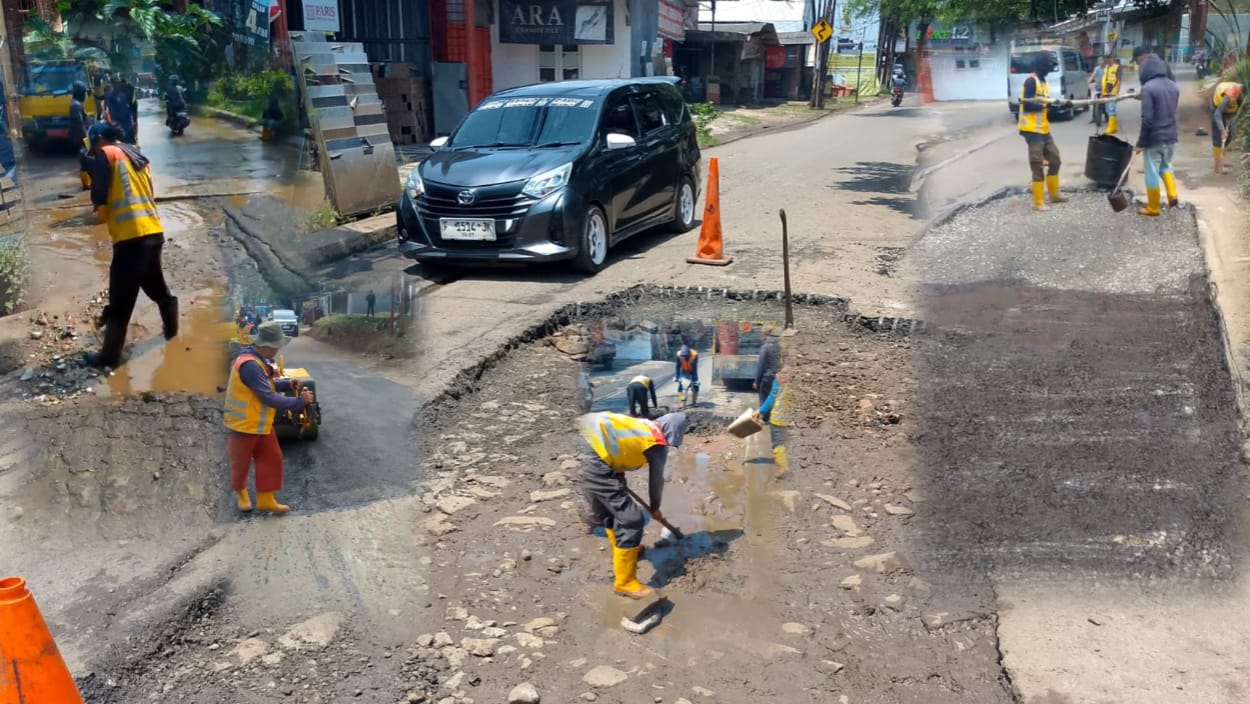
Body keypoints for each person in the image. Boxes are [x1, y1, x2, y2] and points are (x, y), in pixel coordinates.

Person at [83, 123, 178, 368]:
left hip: (130, 238)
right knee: (156, 288)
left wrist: (99, 208)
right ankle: (172, 332)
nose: (95, 151)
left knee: (120, 301)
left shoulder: (108, 153)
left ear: (101, 139)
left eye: (94, 145)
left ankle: (108, 358)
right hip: (153, 232)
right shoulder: (138, 156)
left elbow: (100, 193)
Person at [575, 411, 689, 599]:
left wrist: (617, 476)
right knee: (632, 520)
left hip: (583, 444)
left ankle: (627, 550)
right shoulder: (657, 442)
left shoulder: (642, 426)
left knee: (608, 511)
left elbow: (617, 448)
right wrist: (655, 507)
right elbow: (656, 480)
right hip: (590, 456)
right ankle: (625, 583)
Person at [224, 322, 314, 515]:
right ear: (267, 345)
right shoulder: (249, 365)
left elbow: (267, 386)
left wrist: (287, 384)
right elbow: (267, 397)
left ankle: (266, 500)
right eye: (277, 346)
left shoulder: (258, 359)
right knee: (241, 463)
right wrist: (299, 402)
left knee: (272, 459)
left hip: (260, 423)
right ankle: (241, 494)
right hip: (242, 425)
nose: (278, 349)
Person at [1019, 54, 1071, 211]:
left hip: (1043, 129)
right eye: (1049, 65)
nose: (1051, 68)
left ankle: (1054, 195)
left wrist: (1059, 106)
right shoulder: (1031, 81)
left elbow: (1044, 103)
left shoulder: (1042, 81)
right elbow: (1028, 106)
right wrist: (1046, 106)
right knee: (1037, 165)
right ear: (1041, 65)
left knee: (1055, 160)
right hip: (1031, 130)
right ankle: (1037, 201)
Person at [1134, 54, 1180, 215]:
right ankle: (1172, 196)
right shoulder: (1173, 86)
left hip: (1154, 139)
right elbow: (1168, 109)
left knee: (1152, 171)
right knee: (1166, 166)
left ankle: (1153, 207)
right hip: (1171, 137)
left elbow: (1147, 119)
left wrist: (1141, 142)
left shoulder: (1148, 88)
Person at [754, 367, 791, 474]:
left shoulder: (780, 376)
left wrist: (760, 411)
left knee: (778, 443)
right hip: (792, 417)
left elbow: (772, 397)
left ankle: (783, 467)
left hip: (779, 417)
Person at [1212, 81, 1244, 175]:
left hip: (1230, 112)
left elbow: (1240, 108)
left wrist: (1232, 120)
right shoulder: (1225, 99)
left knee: (1230, 134)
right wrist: (1222, 129)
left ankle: (1223, 160)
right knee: (1219, 138)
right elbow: (1217, 114)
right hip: (1217, 110)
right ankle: (1218, 166)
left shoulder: (1239, 93)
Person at [754, 328, 781, 420]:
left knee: (764, 398)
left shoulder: (766, 347)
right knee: (774, 397)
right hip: (778, 375)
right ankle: (772, 417)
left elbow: (761, 365)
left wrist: (756, 381)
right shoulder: (780, 344)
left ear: (765, 335)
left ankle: (765, 419)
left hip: (767, 377)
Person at [69, 82, 91, 190]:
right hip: (81, 137)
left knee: (85, 159)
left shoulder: (77, 104)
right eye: (84, 92)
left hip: (80, 136)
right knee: (85, 159)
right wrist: (86, 138)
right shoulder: (76, 105)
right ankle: (86, 183)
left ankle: (87, 182)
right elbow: (79, 123)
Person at [104, 74, 136, 144]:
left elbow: (129, 108)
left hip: (127, 124)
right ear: (112, 84)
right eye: (116, 83)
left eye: (119, 83)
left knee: (131, 143)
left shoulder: (122, 94)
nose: (118, 85)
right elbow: (113, 113)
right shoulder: (111, 96)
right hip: (119, 125)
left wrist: (132, 120)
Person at [1100, 56, 1123, 135]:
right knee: (1107, 110)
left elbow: (1119, 80)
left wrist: (1117, 92)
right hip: (1105, 92)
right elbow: (1104, 80)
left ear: (1112, 59)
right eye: (1105, 60)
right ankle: (1114, 126)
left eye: (1108, 60)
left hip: (1113, 92)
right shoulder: (1106, 68)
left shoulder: (1118, 67)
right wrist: (1102, 93)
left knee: (1111, 109)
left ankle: (1111, 128)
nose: (1107, 62)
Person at [1089, 56, 1106, 126]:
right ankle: (1094, 118)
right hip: (1098, 88)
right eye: (1099, 60)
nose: (1100, 62)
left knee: (1106, 102)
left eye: (1101, 60)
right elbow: (1093, 75)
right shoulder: (1097, 68)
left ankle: (1107, 116)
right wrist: (1089, 81)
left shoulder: (1106, 68)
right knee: (1094, 102)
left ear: (1104, 61)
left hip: (1105, 88)